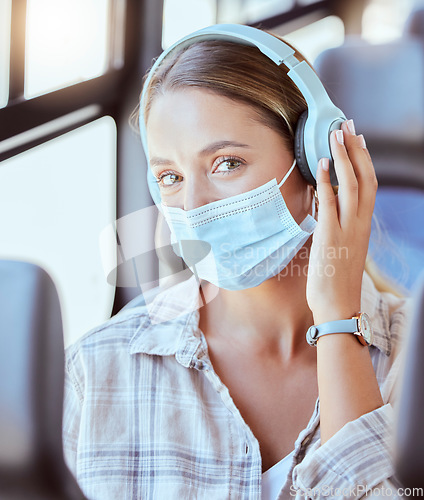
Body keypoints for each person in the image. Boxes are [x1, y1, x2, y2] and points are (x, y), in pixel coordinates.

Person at [62, 25, 410, 499]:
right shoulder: (96, 369)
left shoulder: (413, 358)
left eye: (226, 163)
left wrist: (337, 318)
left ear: (315, 161)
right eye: (170, 176)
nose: (194, 203)